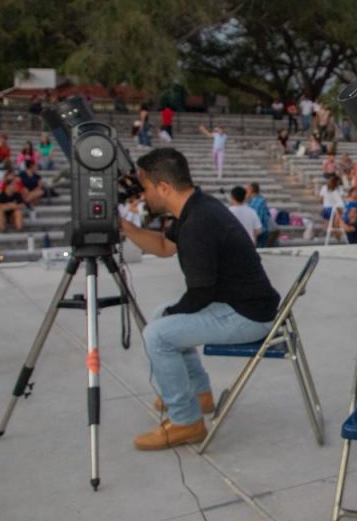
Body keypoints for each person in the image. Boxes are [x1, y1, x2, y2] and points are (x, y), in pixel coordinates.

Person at [119, 148, 279, 450]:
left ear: (163, 187)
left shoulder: (198, 224)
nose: (144, 195)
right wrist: (124, 227)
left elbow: (199, 295)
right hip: (245, 305)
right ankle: (199, 394)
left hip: (249, 316)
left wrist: (171, 317)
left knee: (157, 334)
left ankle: (186, 421)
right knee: (162, 316)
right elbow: (164, 247)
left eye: (147, 187)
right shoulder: (197, 206)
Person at [247, 182, 272, 248]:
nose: (246, 192)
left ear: (251, 190)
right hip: (262, 230)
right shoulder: (260, 200)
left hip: (259, 232)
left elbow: (258, 218)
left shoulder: (256, 202)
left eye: (247, 190)